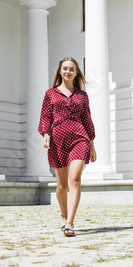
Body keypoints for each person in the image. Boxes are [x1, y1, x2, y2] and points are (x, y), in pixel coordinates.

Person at [38, 57, 97, 237]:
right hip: (58, 141)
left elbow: (87, 119)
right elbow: (46, 116)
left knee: (75, 180)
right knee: (62, 186)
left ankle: (70, 223)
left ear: (76, 72)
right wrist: (46, 134)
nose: (68, 72)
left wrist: (92, 146)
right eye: (65, 68)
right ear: (60, 71)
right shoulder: (51, 94)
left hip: (80, 138)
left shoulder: (82, 96)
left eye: (72, 69)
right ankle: (64, 216)